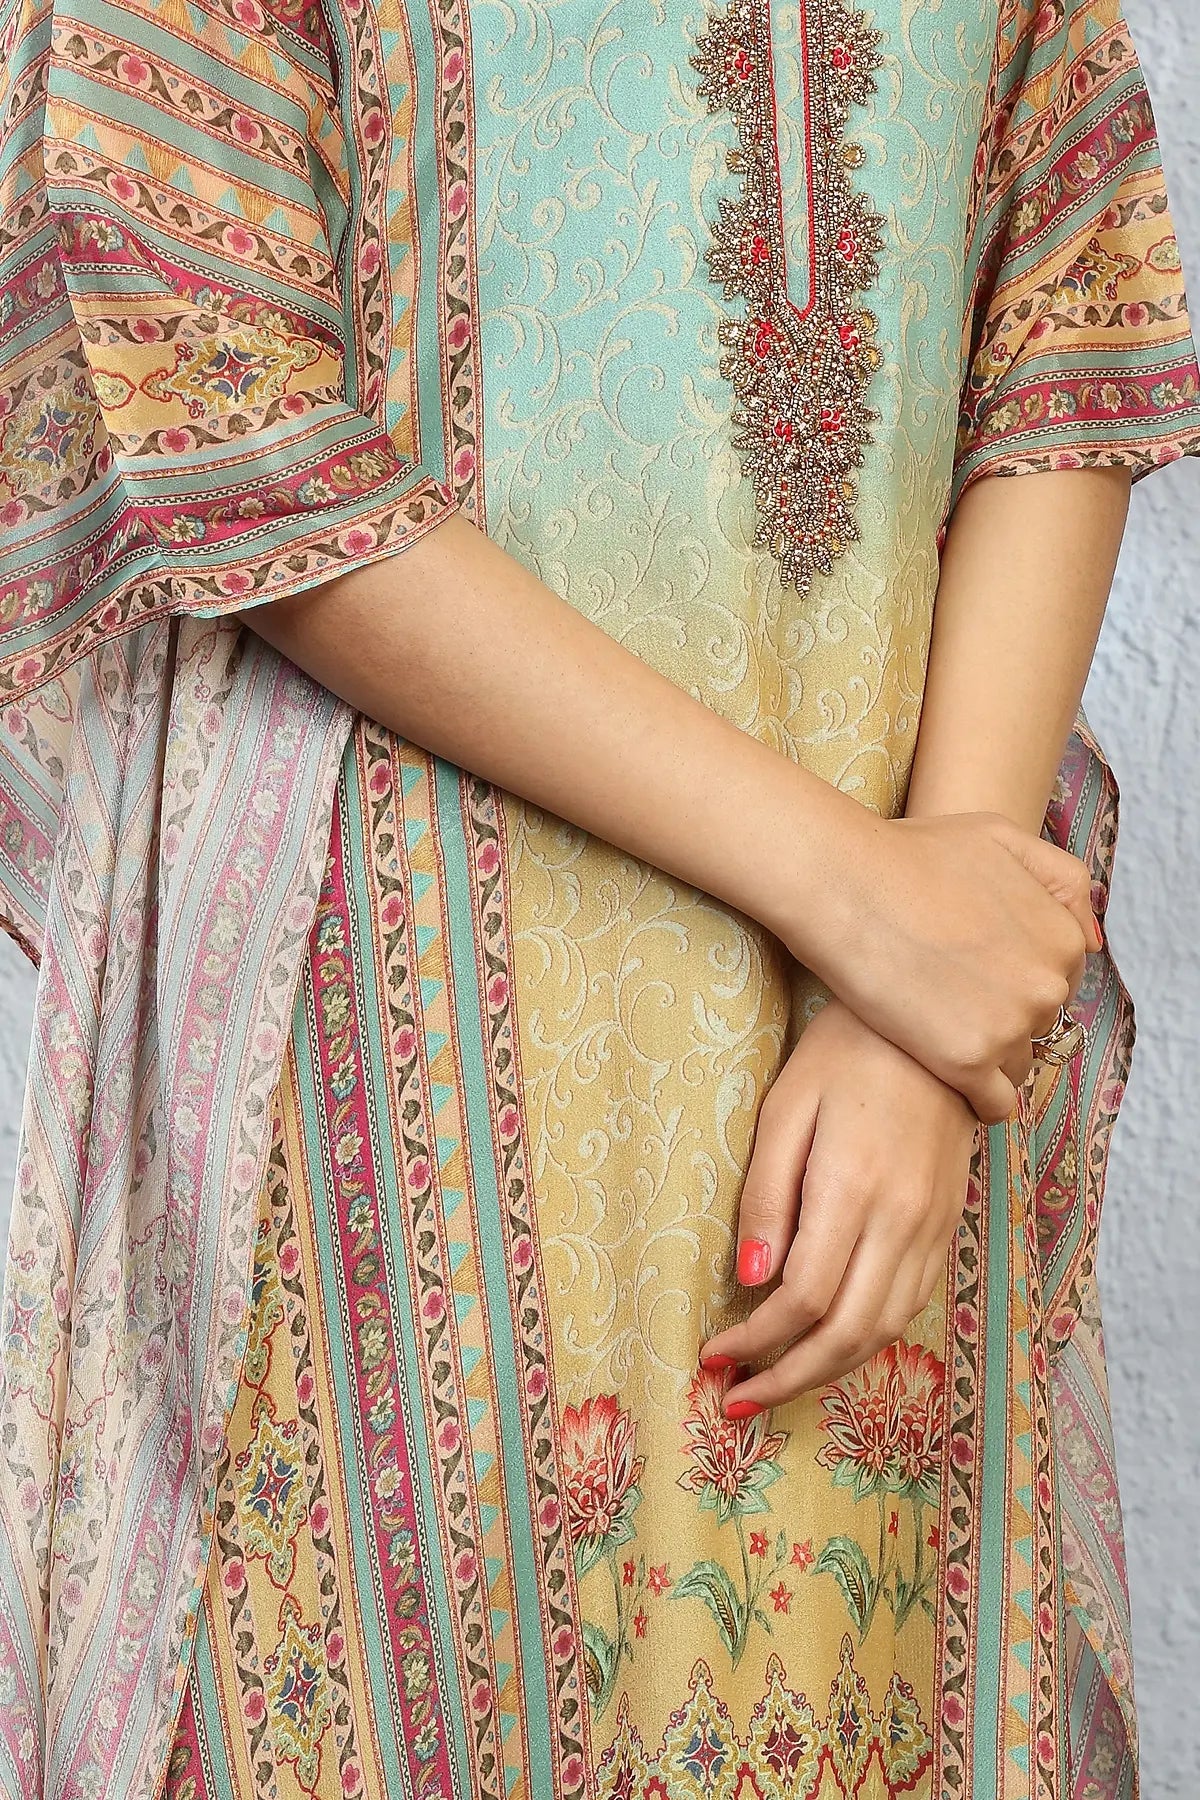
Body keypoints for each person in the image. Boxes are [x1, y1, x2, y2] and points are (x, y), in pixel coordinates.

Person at [0, 0, 1196, 1793]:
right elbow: (217, 399)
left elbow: (1066, 306)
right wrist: (861, 900)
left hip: (879, 1100)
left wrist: (914, 1005)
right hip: (387, 1057)